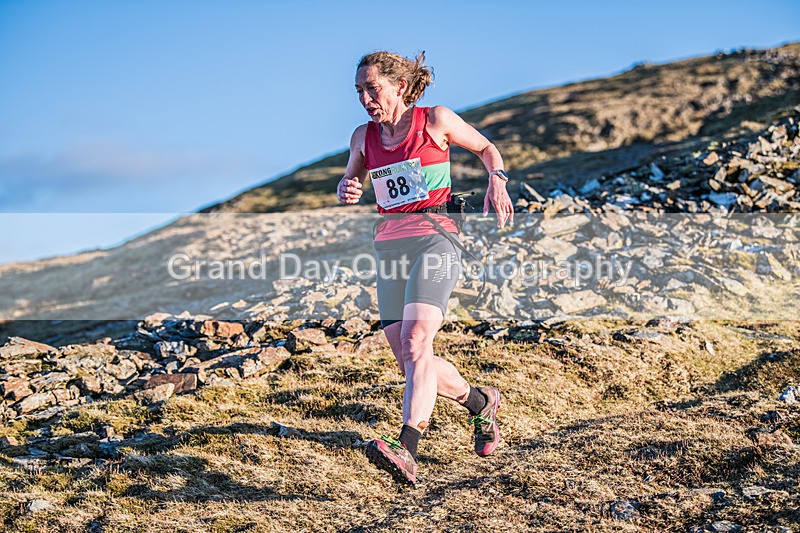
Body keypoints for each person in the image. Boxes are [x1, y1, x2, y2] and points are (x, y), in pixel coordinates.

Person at [336, 50, 514, 485]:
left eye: (371, 88)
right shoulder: (363, 136)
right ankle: (479, 403)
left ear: (399, 85)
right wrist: (347, 185)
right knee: (410, 356)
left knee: (418, 339)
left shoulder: (435, 119)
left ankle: (407, 448)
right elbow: (351, 179)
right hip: (389, 247)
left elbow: (487, 149)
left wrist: (497, 178)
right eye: (359, 90)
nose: (364, 98)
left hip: (436, 237)